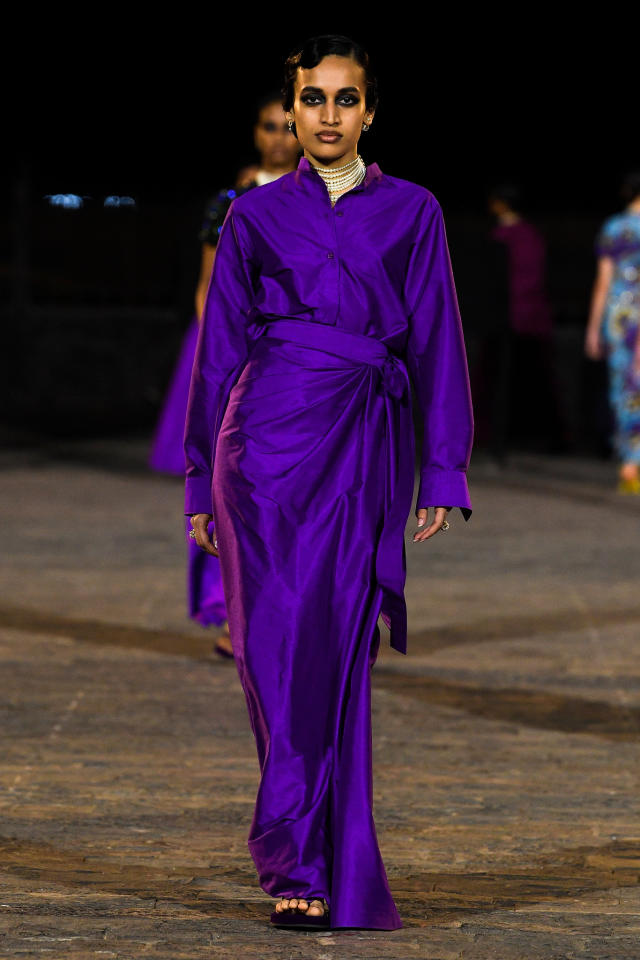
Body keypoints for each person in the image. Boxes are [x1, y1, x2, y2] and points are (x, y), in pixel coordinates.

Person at [184, 34, 473, 930]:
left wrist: (445, 464)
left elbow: (435, 336)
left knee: (335, 654)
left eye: (346, 100)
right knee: (273, 658)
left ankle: (318, 856)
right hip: (260, 454)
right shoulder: (254, 216)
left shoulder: (415, 211)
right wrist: (200, 481)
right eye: (313, 99)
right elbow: (218, 353)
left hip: (362, 453)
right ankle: (294, 856)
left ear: (371, 112)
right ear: (293, 109)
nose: (328, 117)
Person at [149, 94, 300, 655]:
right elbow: (208, 288)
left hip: (294, 358)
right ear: (255, 133)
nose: (280, 137)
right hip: (231, 351)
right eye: (269, 126)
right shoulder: (231, 200)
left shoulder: (325, 196)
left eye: (288, 126)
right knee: (222, 484)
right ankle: (233, 613)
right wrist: (224, 357)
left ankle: (298, 616)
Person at [486, 183, 564, 459]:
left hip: (516, 317)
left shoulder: (515, 237)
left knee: (524, 378)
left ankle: (527, 439)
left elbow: (524, 280)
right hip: (520, 316)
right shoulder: (525, 235)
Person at [585, 170, 640, 493]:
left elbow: (603, 283)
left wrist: (593, 329)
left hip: (621, 317)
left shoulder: (614, 228)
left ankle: (630, 465)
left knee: (624, 388)